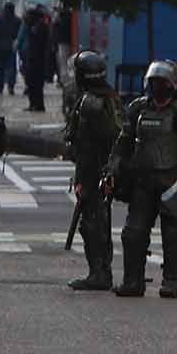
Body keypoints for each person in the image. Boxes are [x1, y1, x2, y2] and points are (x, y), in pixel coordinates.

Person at [102, 60, 177, 299]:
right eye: (154, 82)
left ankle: (173, 281)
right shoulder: (137, 110)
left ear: (173, 86)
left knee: (173, 235)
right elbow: (122, 144)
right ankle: (132, 281)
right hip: (142, 183)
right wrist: (113, 169)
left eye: (162, 83)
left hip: (172, 184)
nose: (157, 87)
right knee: (133, 233)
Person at [64, 50, 120, 291]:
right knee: (100, 222)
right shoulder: (108, 97)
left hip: (94, 170)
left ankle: (98, 273)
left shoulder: (91, 103)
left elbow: (86, 147)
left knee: (92, 224)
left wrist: (82, 181)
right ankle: (102, 271)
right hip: (104, 169)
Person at [22, 7, 50, 112]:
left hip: (37, 60)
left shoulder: (39, 27)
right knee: (32, 83)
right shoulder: (35, 26)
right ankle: (34, 104)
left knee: (35, 83)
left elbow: (39, 44)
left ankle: (37, 104)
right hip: (34, 58)